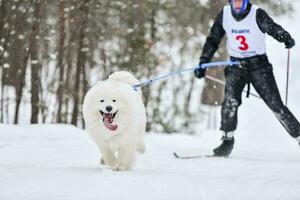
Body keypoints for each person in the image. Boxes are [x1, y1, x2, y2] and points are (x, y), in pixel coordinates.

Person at [194, 0, 300, 157]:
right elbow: (213, 39)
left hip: (259, 66)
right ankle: (227, 141)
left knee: (276, 105)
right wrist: (203, 61)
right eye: (234, 2)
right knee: (230, 101)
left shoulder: (257, 14)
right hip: (236, 66)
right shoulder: (225, 14)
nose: (237, 6)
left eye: (240, 2)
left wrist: (283, 36)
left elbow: (271, 27)